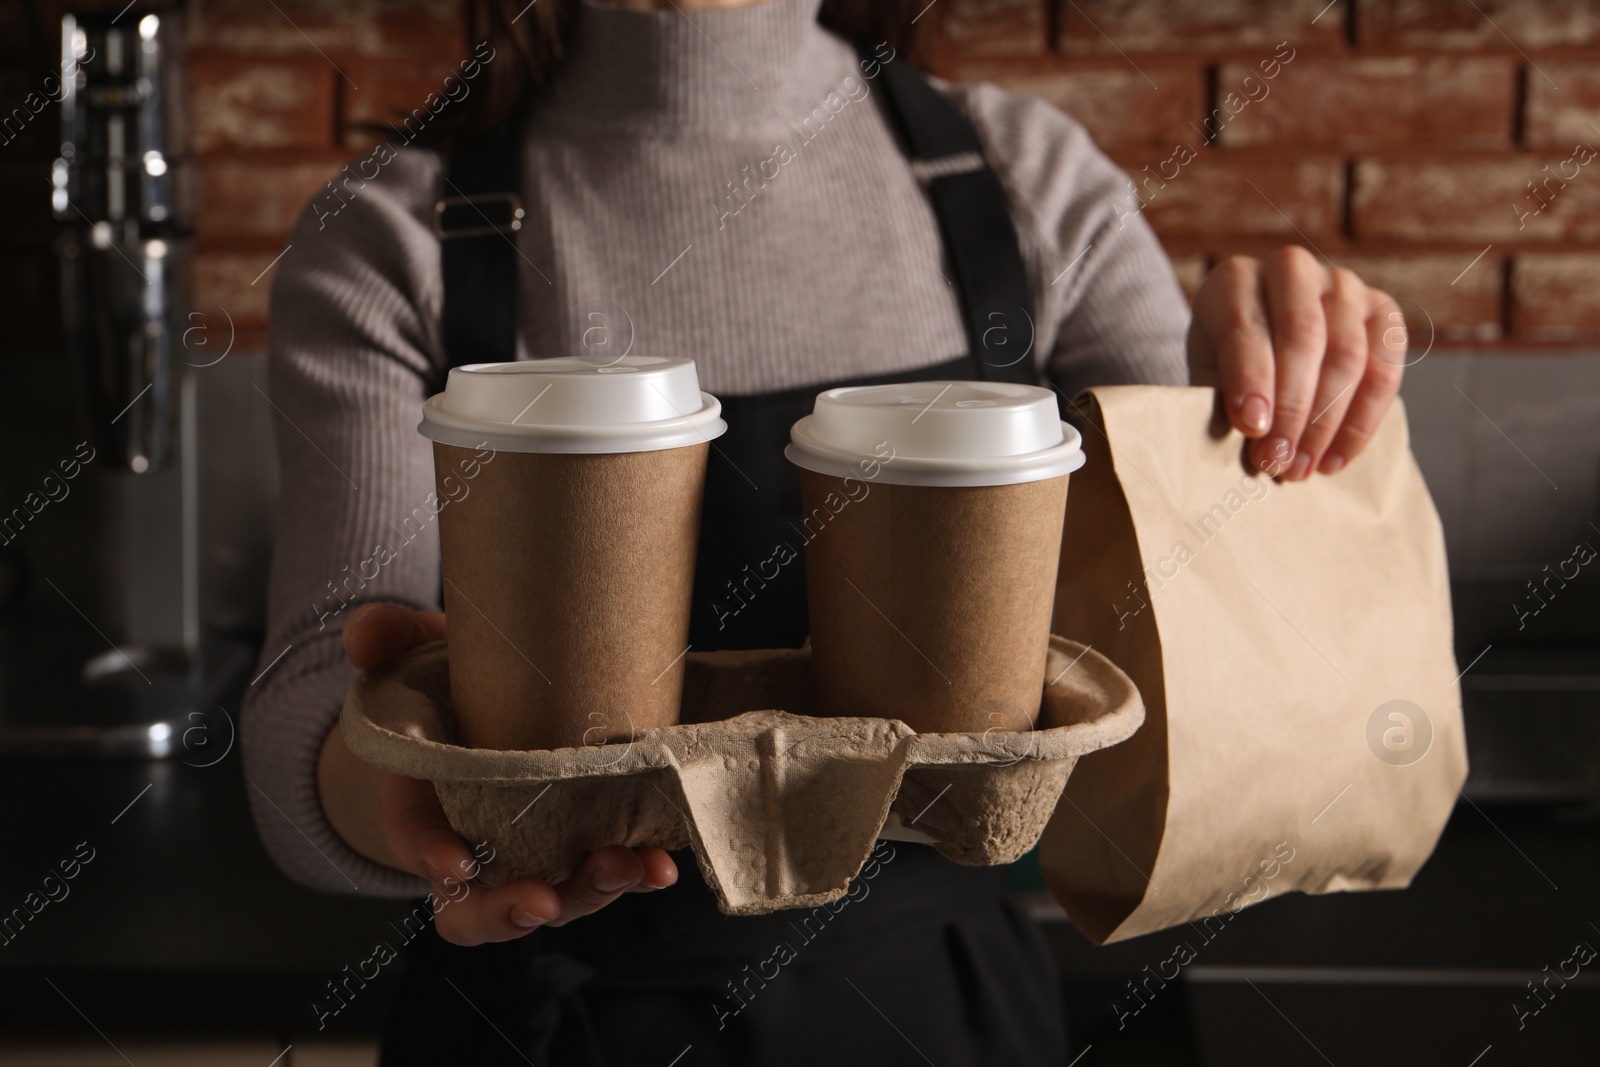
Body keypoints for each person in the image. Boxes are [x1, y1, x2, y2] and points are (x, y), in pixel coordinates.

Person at [240, 0, 1406, 1062]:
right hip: (546, 1004)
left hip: (934, 1009)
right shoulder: (393, 234)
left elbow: (1202, 611)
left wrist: (1264, 382)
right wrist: (401, 799)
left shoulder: (1024, 182)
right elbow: (315, 685)